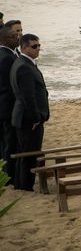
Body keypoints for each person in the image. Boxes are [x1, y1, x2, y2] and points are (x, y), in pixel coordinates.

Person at [9, 34, 49, 191]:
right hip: (28, 119)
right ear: (24, 47)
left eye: (39, 45)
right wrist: (35, 118)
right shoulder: (24, 66)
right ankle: (26, 186)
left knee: (25, 152)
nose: (38, 49)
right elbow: (28, 96)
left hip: (24, 116)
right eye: (34, 46)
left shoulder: (24, 62)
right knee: (29, 154)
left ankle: (21, 184)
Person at [0, 26, 19, 184]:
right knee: (9, 142)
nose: (18, 38)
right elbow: (9, 85)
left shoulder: (9, 54)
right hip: (7, 106)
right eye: (14, 36)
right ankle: (8, 175)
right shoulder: (6, 57)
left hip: (6, 105)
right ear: (5, 39)